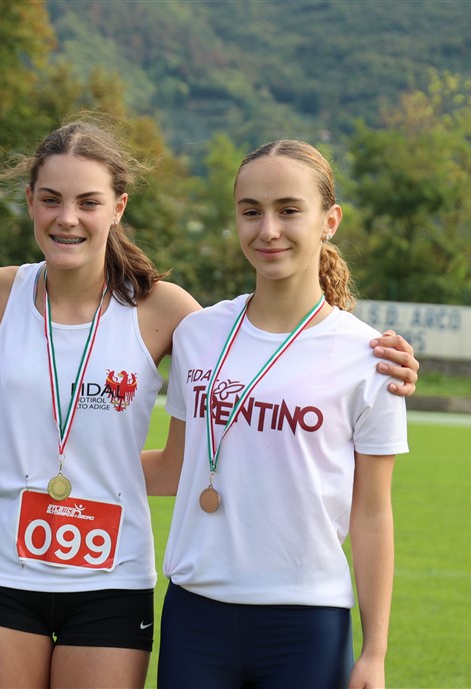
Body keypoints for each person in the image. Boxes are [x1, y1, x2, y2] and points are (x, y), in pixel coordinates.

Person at [0, 118, 420, 689]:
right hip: (2, 570)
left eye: (88, 201)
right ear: (30, 202)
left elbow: (262, 355)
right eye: (51, 199)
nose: (68, 218)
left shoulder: (171, 314)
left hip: (114, 579)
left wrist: (374, 356)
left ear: (118, 208)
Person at [145, 139, 407, 689]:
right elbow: (175, 466)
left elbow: (372, 513)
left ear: (330, 221)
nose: (268, 230)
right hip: (195, 614)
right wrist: (62, 463)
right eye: (251, 212)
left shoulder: (372, 359)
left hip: (307, 624)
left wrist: (375, 652)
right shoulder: (198, 334)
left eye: (289, 210)